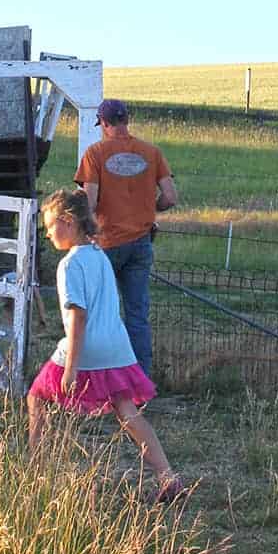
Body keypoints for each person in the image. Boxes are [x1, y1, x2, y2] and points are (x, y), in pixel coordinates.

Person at [28, 188, 184, 504]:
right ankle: (168, 476)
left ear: (69, 222)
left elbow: (78, 316)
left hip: (86, 347)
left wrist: (71, 369)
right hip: (117, 346)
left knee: (36, 397)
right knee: (127, 411)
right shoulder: (99, 254)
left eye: (50, 226)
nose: (47, 234)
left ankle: (36, 473)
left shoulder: (69, 265)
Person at [75, 99, 177, 377]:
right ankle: (140, 382)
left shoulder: (95, 153)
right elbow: (170, 196)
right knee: (137, 316)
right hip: (141, 242)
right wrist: (150, 207)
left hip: (107, 243)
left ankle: (99, 377)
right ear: (126, 120)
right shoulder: (151, 152)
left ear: (104, 123)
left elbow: (91, 202)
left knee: (98, 314)